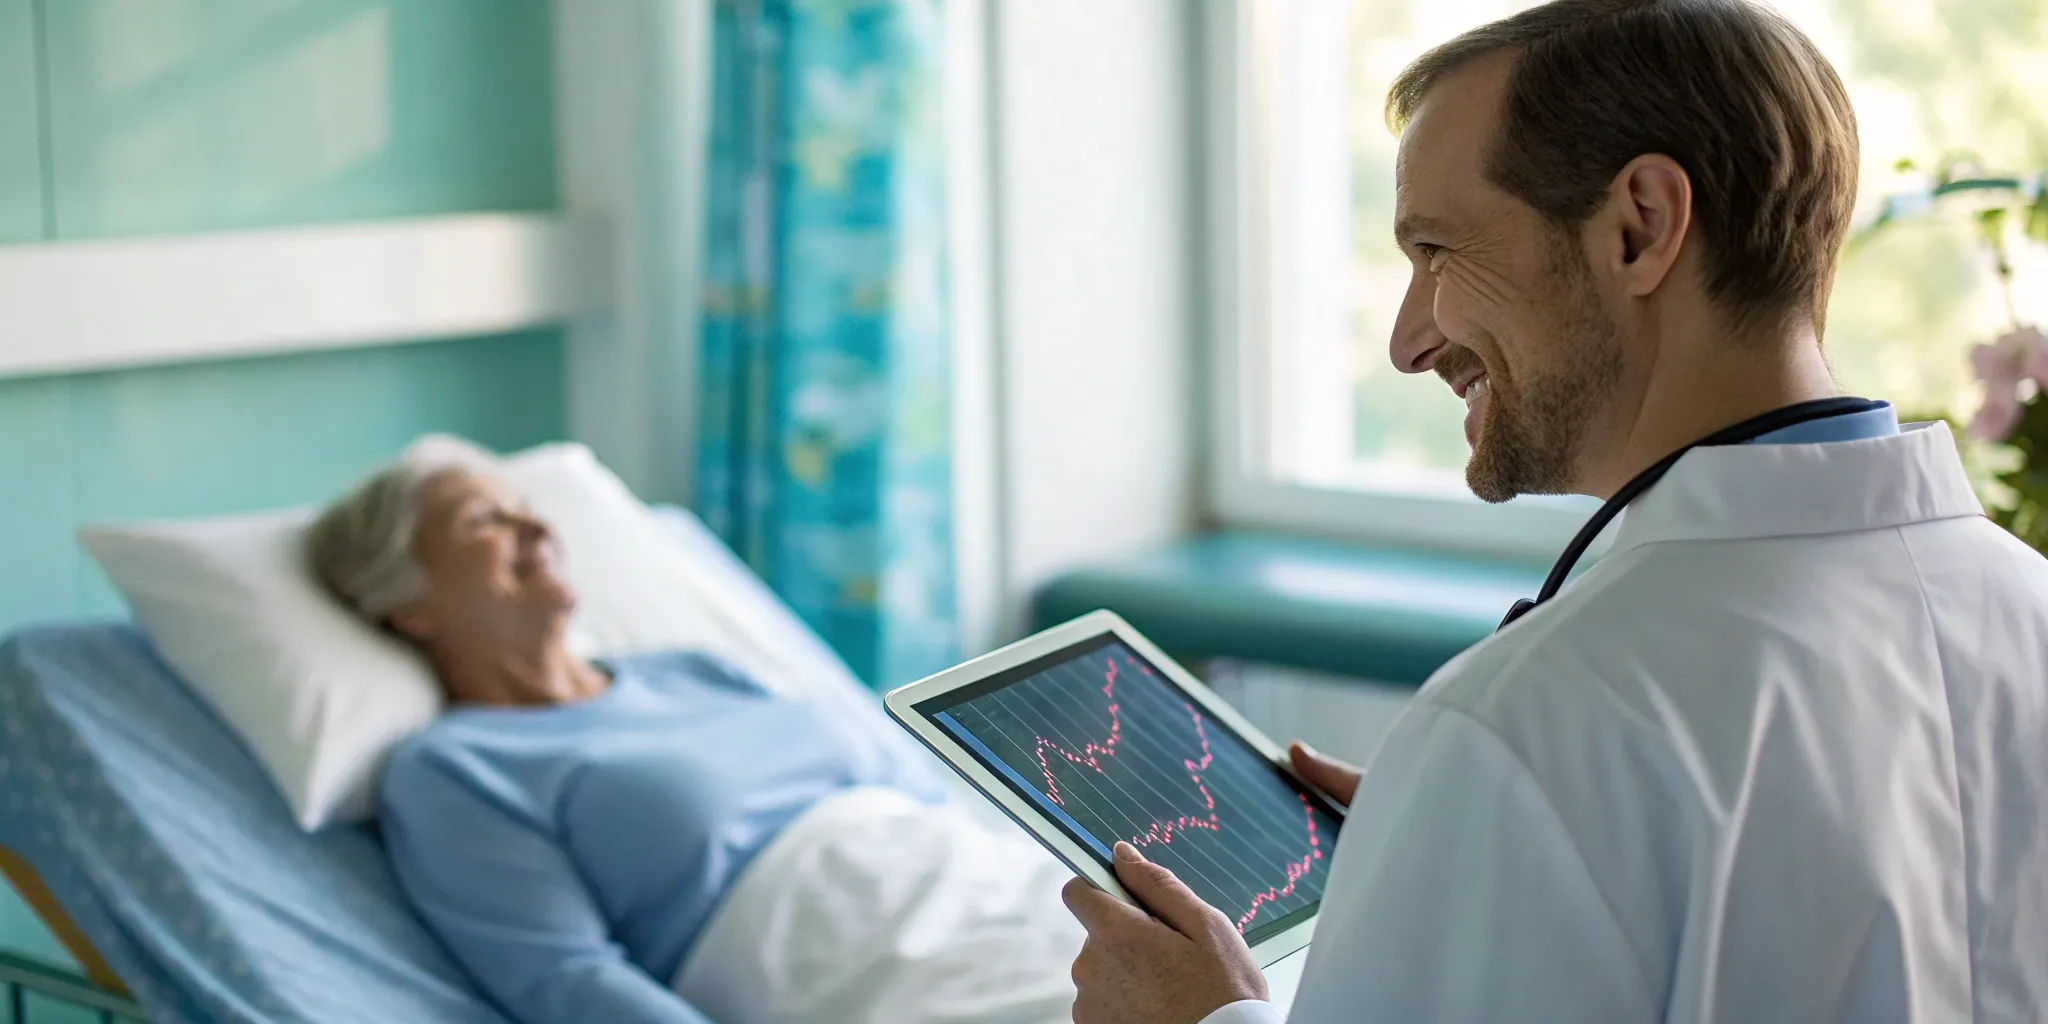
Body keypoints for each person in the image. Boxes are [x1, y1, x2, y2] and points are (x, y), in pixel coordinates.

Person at [1061, 1, 2048, 1021]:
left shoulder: (1533, 721)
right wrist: (1473, 843)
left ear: (1639, 228)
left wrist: (1201, 1016)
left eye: (1437, 251)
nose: (1407, 341)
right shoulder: (2027, 608)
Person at [306, 443, 1079, 1024]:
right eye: (485, 520)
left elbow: (912, 788)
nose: (534, 526)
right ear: (408, 604)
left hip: (996, 890)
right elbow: (564, 978)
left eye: (525, 507)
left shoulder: (692, 669)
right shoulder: (457, 768)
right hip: (861, 969)